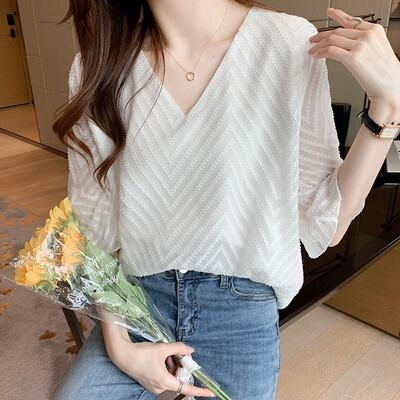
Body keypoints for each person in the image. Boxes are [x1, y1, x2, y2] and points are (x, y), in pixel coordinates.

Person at [52, 0, 400, 399]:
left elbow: (330, 224)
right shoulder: (97, 67)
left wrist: (389, 105)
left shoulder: (286, 42)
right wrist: (120, 349)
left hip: (240, 311)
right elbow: (95, 229)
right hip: (137, 301)